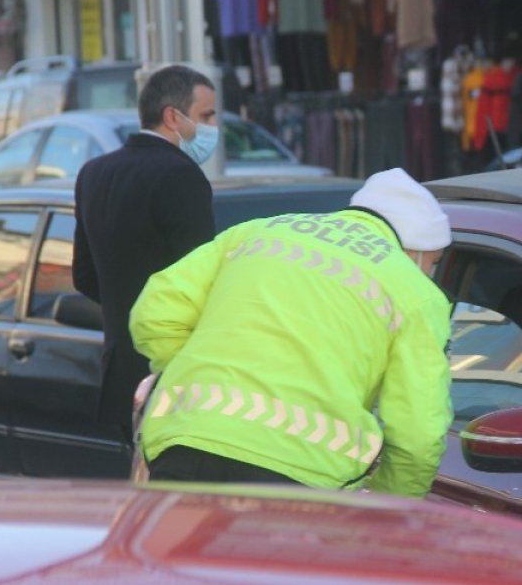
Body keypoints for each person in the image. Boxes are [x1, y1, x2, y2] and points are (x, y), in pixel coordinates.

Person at [129, 167, 453, 497]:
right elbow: (418, 435)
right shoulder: (416, 293)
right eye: (434, 262)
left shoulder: (253, 234)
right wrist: (390, 507)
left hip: (187, 442)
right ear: (419, 250)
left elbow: (153, 314)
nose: (431, 272)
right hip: (301, 474)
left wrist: (197, 377)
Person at [73, 64, 219, 443]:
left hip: (121, 371)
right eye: (206, 116)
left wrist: (127, 307)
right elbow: (201, 281)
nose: (213, 126)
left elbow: (84, 276)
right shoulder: (181, 176)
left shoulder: (94, 173)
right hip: (175, 375)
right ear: (173, 116)